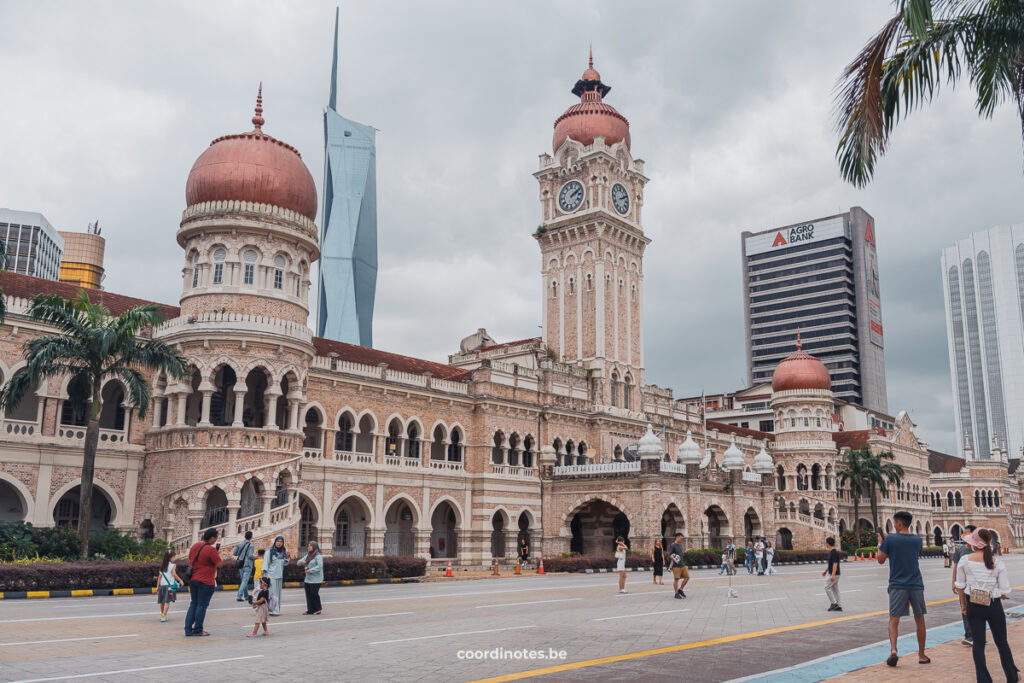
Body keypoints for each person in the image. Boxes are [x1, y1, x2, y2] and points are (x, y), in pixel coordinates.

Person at [955, 528, 1019, 683]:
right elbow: (1004, 590)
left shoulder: (965, 561)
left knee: (978, 643)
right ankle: (1011, 676)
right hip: (993, 605)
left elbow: (960, 586)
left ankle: (983, 680)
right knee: (1001, 642)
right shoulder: (997, 563)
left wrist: (964, 605)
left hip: (973, 604)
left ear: (974, 544)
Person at [877, 511, 929, 666]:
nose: (894, 525)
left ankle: (893, 650)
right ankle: (921, 655)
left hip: (897, 585)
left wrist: (881, 543)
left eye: (894, 522)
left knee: (894, 620)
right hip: (915, 584)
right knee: (919, 619)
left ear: (899, 523)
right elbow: (916, 555)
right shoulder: (917, 540)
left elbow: (880, 559)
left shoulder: (890, 539)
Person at [184, 527, 222, 637]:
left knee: (193, 604)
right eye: (215, 538)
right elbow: (219, 564)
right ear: (212, 538)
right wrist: (218, 553)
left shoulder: (195, 546)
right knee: (202, 605)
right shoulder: (211, 550)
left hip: (193, 579)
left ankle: (188, 629)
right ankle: (198, 630)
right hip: (206, 581)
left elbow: (190, 559)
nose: (215, 540)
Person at [953, 525, 979, 647]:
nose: (965, 536)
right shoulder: (959, 550)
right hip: (963, 585)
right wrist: (954, 582)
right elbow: (956, 567)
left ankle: (978, 635)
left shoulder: (980, 549)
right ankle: (970, 635)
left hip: (977, 586)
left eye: (968, 533)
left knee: (978, 612)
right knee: (965, 609)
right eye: (964, 534)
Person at [263, 535, 288, 617]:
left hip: (279, 575)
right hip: (271, 575)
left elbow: (285, 563)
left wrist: (286, 558)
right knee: (272, 594)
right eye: (278, 541)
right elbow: (265, 563)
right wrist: (262, 574)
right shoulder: (269, 551)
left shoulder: (283, 552)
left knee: (278, 594)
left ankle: (274, 610)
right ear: (275, 542)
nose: (279, 543)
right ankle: (273, 611)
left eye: (281, 542)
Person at [298, 541, 324, 615]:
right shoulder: (308, 555)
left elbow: (319, 566)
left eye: (310, 546)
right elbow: (298, 562)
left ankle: (318, 609)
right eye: (308, 546)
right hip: (308, 579)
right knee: (308, 595)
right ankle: (310, 610)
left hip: (316, 579)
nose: (308, 547)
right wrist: (301, 562)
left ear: (315, 547)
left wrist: (311, 570)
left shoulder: (318, 556)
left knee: (314, 594)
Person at [157, 549, 181, 622]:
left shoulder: (162, 566)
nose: (175, 558)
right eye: (174, 557)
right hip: (169, 586)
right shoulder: (173, 565)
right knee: (167, 602)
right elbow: (174, 574)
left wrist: (157, 587)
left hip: (162, 586)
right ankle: (163, 616)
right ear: (170, 558)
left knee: (162, 602)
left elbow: (159, 577)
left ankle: (163, 615)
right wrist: (180, 580)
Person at [233, 530, 255, 602]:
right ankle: (239, 596)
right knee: (245, 581)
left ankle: (246, 596)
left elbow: (235, 553)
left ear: (245, 536)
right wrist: (257, 557)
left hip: (240, 563)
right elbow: (250, 556)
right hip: (247, 564)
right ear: (251, 537)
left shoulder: (240, 543)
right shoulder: (251, 545)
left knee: (243, 581)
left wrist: (241, 555)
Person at [823, 536, 841, 612]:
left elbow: (835, 564)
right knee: (835, 589)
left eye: (826, 543)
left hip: (834, 574)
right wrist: (826, 571)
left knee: (826, 587)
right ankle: (839, 605)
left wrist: (833, 574)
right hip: (835, 573)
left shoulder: (834, 552)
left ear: (828, 543)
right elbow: (831, 564)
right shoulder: (832, 552)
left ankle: (834, 604)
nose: (825, 544)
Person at [668, 532, 688, 599]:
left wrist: (684, 552)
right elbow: (670, 554)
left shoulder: (680, 545)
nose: (681, 539)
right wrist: (675, 558)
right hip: (676, 565)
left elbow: (680, 553)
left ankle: (681, 589)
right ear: (677, 537)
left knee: (687, 577)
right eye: (680, 537)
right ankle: (676, 593)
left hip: (682, 564)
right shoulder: (673, 545)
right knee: (676, 579)